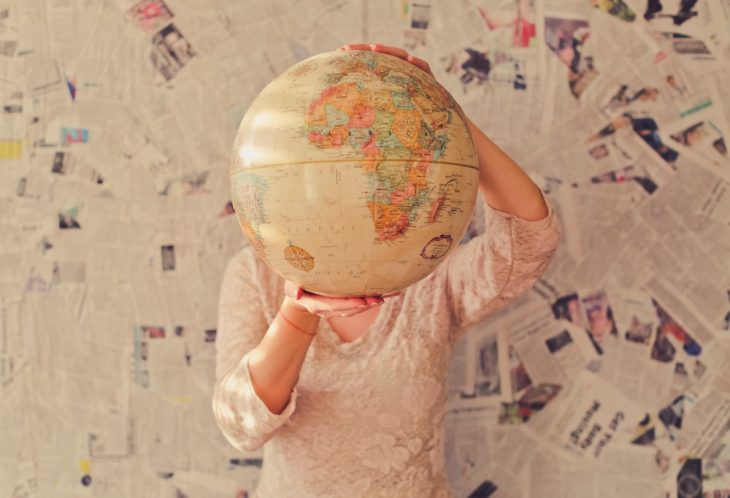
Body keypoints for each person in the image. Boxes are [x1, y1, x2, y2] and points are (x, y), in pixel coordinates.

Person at [211, 43, 560, 498]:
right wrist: (298, 314)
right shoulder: (253, 273)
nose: (348, 172)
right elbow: (242, 426)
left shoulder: (429, 273)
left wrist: (443, 114)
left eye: (369, 157)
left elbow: (530, 237)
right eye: (332, 158)